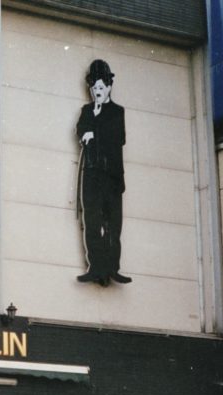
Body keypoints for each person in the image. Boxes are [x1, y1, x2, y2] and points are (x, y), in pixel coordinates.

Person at [76, 59, 132, 286]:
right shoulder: (87, 111)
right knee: (91, 221)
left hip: (111, 176)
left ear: (109, 87)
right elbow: (81, 130)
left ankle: (111, 267)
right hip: (91, 174)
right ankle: (95, 266)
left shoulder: (117, 112)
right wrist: (87, 130)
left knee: (112, 223)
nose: (97, 92)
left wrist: (93, 130)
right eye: (94, 88)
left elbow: (117, 137)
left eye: (100, 87)